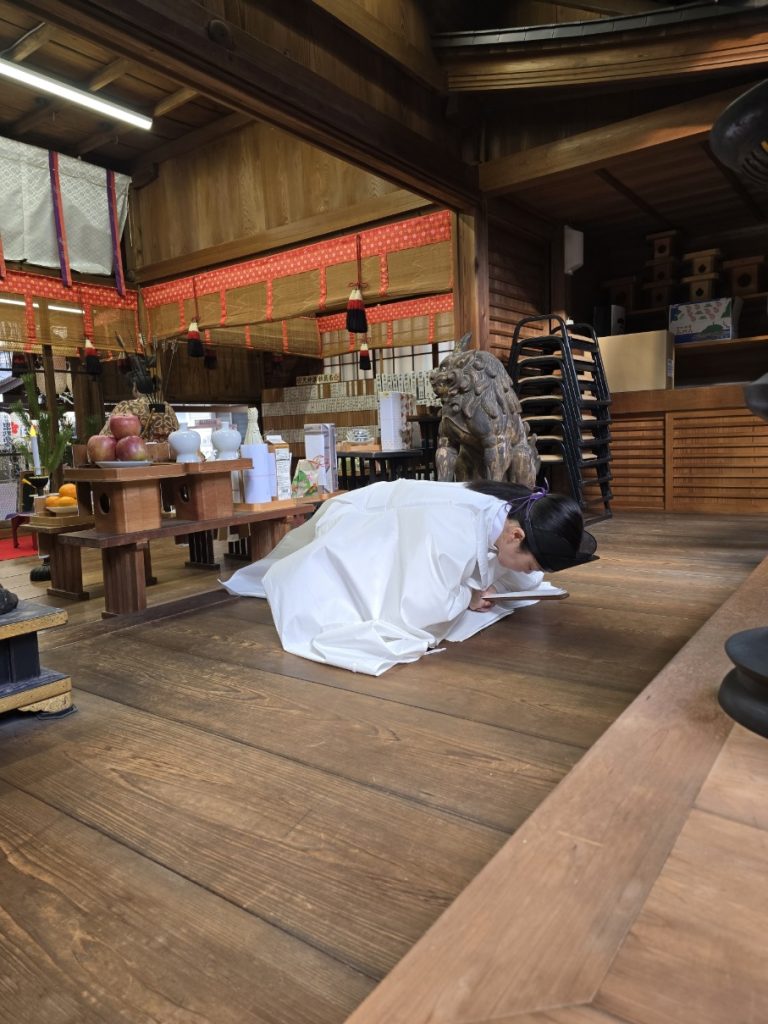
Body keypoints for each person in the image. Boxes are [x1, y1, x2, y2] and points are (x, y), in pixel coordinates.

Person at [222, 477, 598, 676]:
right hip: (362, 519)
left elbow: (511, 570)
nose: (529, 572)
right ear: (515, 535)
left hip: (406, 514)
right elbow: (422, 604)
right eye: (530, 564)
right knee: (358, 595)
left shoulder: (510, 510)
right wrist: (468, 597)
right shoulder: (455, 531)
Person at [101, 381, 179, 440]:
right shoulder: (166, 406)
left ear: (135, 388)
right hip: (165, 454)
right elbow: (177, 433)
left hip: (135, 454)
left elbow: (105, 437)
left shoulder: (125, 406)